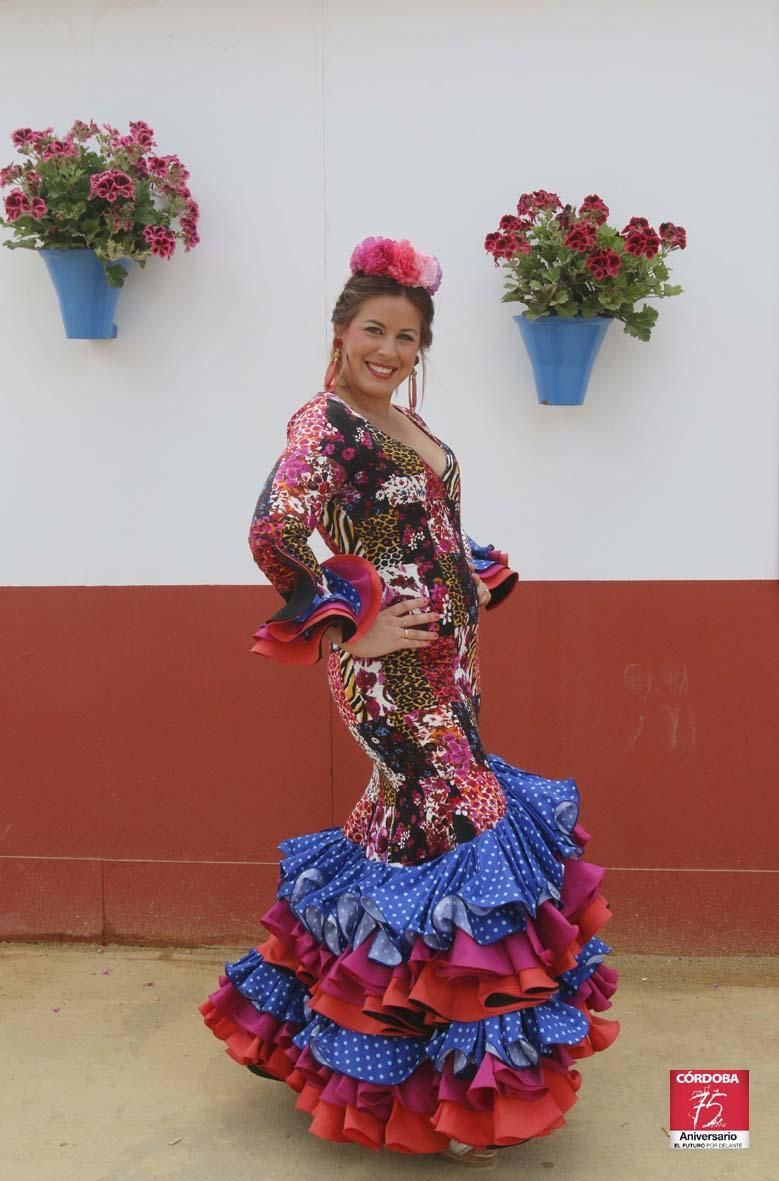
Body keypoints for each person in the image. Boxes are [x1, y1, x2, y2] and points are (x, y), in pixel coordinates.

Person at [199, 235, 620, 1167]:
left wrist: (468, 575)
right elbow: (275, 530)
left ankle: (353, 1050)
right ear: (342, 333)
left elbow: (423, 522)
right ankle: (473, 1088)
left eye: (408, 337)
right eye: (373, 331)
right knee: (472, 831)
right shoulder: (326, 424)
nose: (390, 350)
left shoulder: (399, 423)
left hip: (450, 666)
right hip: (391, 681)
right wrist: (350, 629)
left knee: (405, 842)